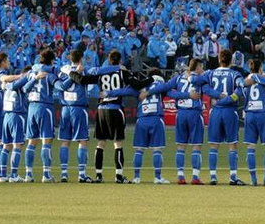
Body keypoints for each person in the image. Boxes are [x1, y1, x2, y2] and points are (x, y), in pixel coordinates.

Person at [69, 50, 152, 183]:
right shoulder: (122, 71)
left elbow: (83, 80)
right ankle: (119, 176)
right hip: (116, 109)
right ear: (120, 61)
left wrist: (72, 73)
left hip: (102, 110)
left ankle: (98, 176)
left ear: (109, 59)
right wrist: (152, 78)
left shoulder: (101, 72)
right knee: (117, 143)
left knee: (101, 143)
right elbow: (138, 85)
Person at [107, 70, 188, 183]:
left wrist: (108, 93)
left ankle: (136, 177)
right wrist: (189, 95)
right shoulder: (162, 86)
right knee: (157, 150)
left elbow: (125, 91)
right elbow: (174, 94)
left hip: (142, 120)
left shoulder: (141, 86)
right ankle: (157, 177)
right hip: (156, 119)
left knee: (139, 150)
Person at [201, 49, 247, 185]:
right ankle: (233, 177)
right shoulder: (235, 74)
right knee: (232, 144)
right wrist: (229, 98)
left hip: (215, 111)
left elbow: (203, 87)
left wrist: (216, 96)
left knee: (214, 145)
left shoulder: (210, 73)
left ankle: (213, 177)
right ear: (231, 61)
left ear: (219, 59)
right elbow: (241, 87)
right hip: (229, 111)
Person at [164, 58, 208, 184]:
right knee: (196, 146)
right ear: (198, 67)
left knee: (181, 146)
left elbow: (167, 91)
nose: (203, 69)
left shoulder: (179, 78)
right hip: (194, 113)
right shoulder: (201, 79)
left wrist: (182, 95)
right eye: (201, 67)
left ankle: (180, 176)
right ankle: (195, 177)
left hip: (181, 113)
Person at [56, 50, 93, 182]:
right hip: (79, 108)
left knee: (65, 142)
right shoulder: (84, 70)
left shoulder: (63, 71)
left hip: (65, 108)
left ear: (69, 59)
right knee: (82, 141)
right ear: (81, 58)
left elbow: (60, 86)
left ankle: (64, 173)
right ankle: (82, 174)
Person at [24, 49, 58, 183]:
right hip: (45, 107)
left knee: (31, 142)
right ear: (51, 60)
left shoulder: (31, 72)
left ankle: (28, 174)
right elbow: (60, 86)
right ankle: (46, 175)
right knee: (46, 141)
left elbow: (25, 89)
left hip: (32, 108)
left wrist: (34, 78)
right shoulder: (49, 73)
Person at [0, 67, 35, 183]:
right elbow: (22, 87)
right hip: (17, 115)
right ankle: (13, 175)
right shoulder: (21, 80)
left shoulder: (9, 82)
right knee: (17, 145)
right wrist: (32, 77)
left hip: (7, 116)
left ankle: (3, 175)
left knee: (6, 146)